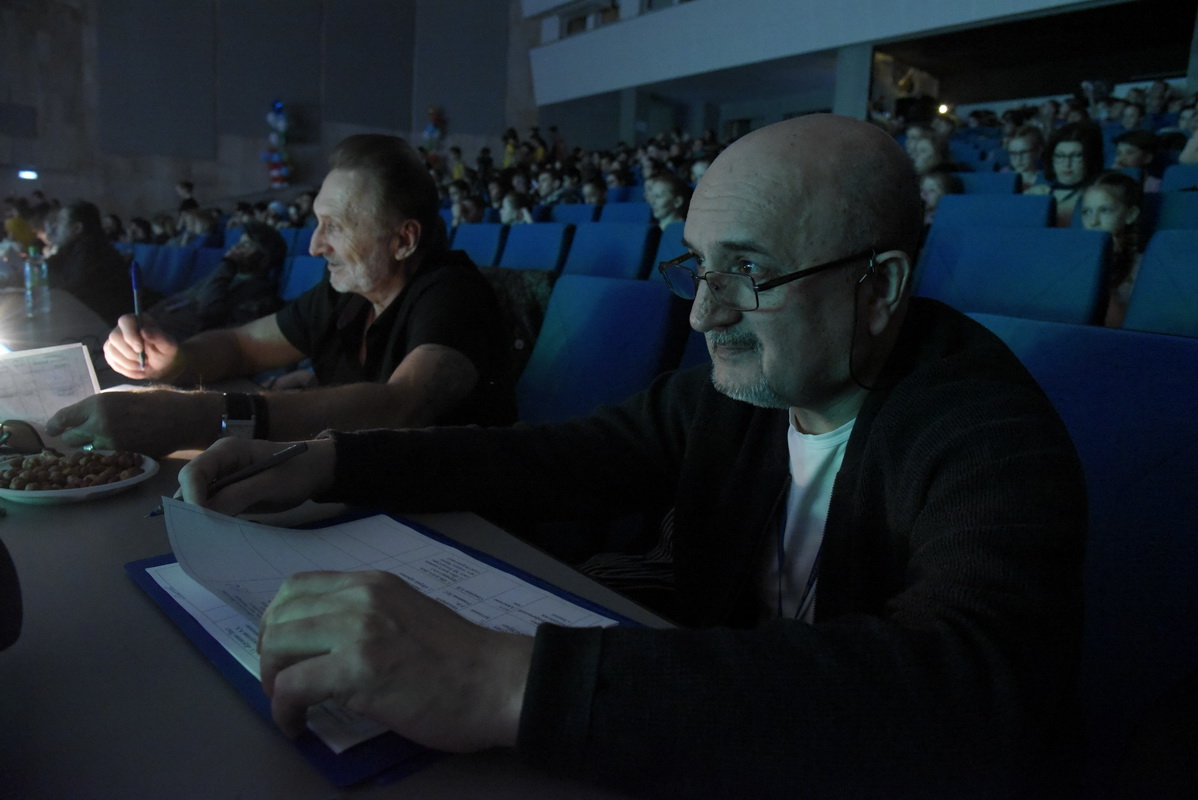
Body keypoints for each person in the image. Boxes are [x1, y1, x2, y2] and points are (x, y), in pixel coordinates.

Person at [180, 114, 1086, 799]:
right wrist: (332, 461)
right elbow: (552, 459)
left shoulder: (987, 432)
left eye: (748, 272)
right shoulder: (743, 391)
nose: (703, 315)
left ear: (878, 287)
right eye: (698, 266)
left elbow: (967, 691)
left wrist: (501, 681)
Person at [46, 134, 516, 457]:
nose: (315, 245)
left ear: (404, 240)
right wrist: (174, 360)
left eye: (336, 226)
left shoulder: (453, 294)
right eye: (317, 223)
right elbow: (241, 345)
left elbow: (403, 409)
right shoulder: (352, 292)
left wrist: (207, 417)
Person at [146, 222, 287, 341]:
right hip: (154, 324)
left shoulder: (259, 293)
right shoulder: (229, 276)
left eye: (246, 245)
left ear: (265, 259)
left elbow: (210, 314)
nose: (236, 248)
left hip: (174, 341)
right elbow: (183, 298)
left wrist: (228, 264)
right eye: (239, 243)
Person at [42, 200, 131, 325]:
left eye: (60, 223)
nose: (55, 228)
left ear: (76, 228)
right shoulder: (70, 247)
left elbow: (70, 288)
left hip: (103, 326)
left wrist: (37, 277)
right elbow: (46, 266)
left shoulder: (92, 250)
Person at [1079, 171, 1144, 328]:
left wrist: (1106, 267)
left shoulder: (1144, 266)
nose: (1093, 222)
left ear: (1130, 215)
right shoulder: (1073, 258)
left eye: (1105, 210)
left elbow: (1115, 326)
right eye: (1087, 212)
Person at [1025, 121, 1104, 227]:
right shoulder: (1035, 194)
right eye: (1060, 156)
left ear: (1089, 159)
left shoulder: (1099, 197)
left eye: (1076, 156)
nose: (1067, 164)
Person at [1003, 125, 1046, 192]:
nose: (1018, 159)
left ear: (1038, 152)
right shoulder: (1003, 177)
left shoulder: (1045, 180)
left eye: (1024, 152)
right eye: (1013, 153)